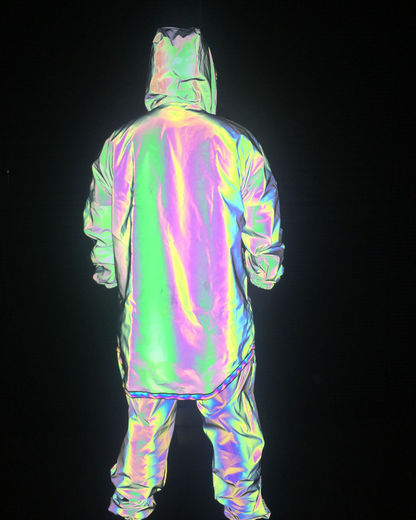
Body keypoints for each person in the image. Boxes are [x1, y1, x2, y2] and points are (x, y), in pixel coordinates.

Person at [84, 26, 284, 520]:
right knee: (236, 437)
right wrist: (265, 272)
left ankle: (130, 507)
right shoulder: (236, 143)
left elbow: (101, 226)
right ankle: (244, 510)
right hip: (220, 330)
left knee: (142, 440)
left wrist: (108, 272)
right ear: (205, 70)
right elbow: (264, 228)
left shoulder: (121, 144)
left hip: (148, 332)